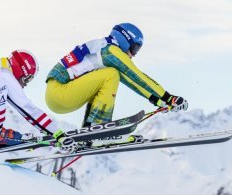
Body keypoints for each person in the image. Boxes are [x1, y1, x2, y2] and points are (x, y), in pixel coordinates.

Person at [44, 23, 187, 127]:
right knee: (112, 75)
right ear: (125, 39)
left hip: (56, 96)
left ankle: (92, 127)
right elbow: (137, 76)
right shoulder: (110, 50)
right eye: (134, 49)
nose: (133, 55)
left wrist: (157, 100)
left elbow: (132, 81)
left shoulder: (103, 48)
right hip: (60, 93)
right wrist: (169, 97)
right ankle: (97, 126)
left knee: (112, 75)